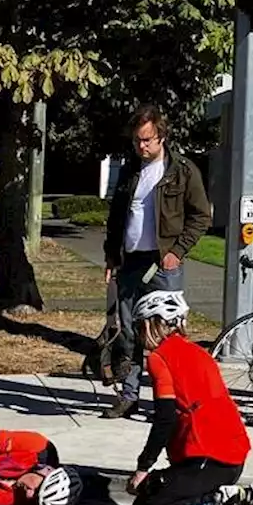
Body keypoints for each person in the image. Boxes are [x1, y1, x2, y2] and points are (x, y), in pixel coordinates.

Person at [124, 290, 253, 505]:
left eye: (139, 326)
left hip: (207, 456)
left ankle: (222, 500)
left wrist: (143, 467)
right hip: (230, 457)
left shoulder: (159, 358)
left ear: (151, 323)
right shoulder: (197, 351)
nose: (139, 334)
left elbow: (165, 419)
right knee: (151, 493)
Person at [102, 105, 213, 420]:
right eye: (137, 141)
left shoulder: (183, 170)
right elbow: (116, 216)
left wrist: (177, 251)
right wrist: (112, 255)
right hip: (129, 260)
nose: (142, 146)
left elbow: (201, 216)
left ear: (161, 136)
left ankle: (174, 399)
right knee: (127, 331)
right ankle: (129, 394)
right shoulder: (130, 170)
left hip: (164, 262)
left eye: (148, 140)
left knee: (167, 332)